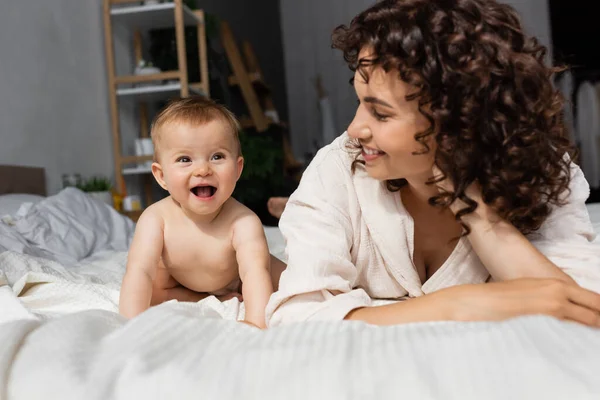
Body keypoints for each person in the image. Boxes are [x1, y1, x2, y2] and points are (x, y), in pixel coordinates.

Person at [266, 0, 600, 328]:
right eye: (360, 103)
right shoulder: (340, 166)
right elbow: (298, 316)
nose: (354, 129)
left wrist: (477, 214)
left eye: (380, 113)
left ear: (455, 121)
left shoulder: (541, 171)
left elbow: (581, 305)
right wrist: (454, 305)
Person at [119, 97, 283, 328]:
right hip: (180, 282)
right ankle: (202, 298)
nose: (203, 169)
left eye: (217, 156)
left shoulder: (243, 221)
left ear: (237, 169)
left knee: (289, 280)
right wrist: (129, 324)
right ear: (161, 176)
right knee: (148, 288)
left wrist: (255, 323)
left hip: (235, 277)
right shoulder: (156, 219)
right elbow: (140, 270)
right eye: (185, 159)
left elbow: (255, 273)